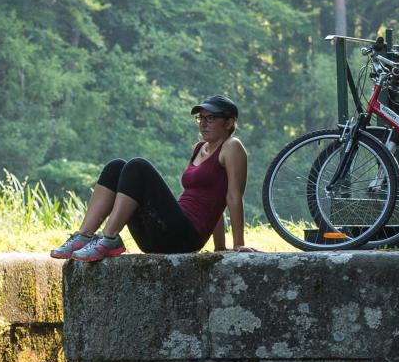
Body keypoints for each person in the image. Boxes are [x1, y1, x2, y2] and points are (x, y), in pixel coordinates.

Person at [52, 95, 258, 261]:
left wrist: (237, 244)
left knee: (137, 166)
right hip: (158, 236)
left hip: (184, 237)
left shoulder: (232, 147)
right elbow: (211, 200)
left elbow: (231, 196)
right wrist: (219, 248)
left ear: (229, 122)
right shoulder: (198, 148)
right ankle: (84, 236)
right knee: (116, 167)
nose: (203, 124)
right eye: (201, 118)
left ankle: (109, 238)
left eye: (211, 118)